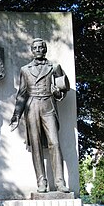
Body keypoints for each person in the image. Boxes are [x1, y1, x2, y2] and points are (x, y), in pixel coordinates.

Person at [10, 38, 70, 193]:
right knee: (36, 145)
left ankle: (60, 182)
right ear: (32, 50)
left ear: (45, 49)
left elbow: (61, 90)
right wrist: (17, 115)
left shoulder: (54, 67)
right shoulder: (25, 69)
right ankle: (41, 182)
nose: (38, 50)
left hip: (48, 105)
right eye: (35, 48)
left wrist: (58, 93)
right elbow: (22, 94)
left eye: (41, 47)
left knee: (54, 143)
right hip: (32, 107)